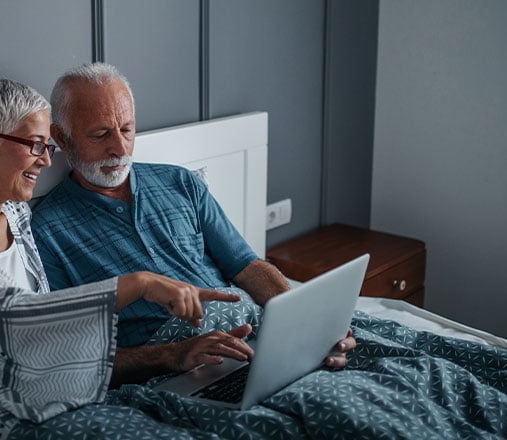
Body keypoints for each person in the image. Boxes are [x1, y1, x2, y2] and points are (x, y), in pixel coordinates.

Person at [0, 78, 242, 438]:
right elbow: (11, 322)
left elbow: (52, 327)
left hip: (48, 386)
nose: (45, 160)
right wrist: (137, 285)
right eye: (35, 145)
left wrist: (171, 354)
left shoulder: (16, 214)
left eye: (48, 147)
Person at [32, 63, 356, 385]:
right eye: (100, 134)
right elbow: (69, 355)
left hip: (263, 336)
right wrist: (173, 354)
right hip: (183, 370)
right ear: (61, 136)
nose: (119, 148)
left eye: (127, 129)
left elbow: (248, 267)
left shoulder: (180, 182)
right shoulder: (47, 231)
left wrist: (309, 323)